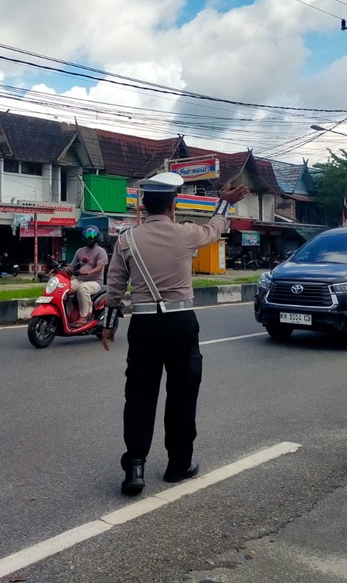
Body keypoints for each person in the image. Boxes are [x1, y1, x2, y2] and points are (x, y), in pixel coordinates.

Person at [101, 172, 249, 496]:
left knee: (139, 395)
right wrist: (224, 201)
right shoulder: (185, 234)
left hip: (143, 326)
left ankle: (135, 466)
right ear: (173, 203)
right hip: (181, 323)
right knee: (182, 393)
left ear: (143, 204)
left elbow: (114, 288)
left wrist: (109, 324)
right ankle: (179, 464)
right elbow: (215, 228)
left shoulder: (126, 239)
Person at [68, 226, 108, 326]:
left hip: (95, 282)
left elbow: (99, 267)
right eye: (87, 235)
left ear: (96, 237)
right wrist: (61, 270)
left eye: (92, 235)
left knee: (83, 288)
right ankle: (66, 314)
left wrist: (88, 272)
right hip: (80, 280)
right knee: (64, 286)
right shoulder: (79, 251)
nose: (89, 237)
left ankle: (84, 317)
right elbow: (72, 266)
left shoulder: (101, 251)